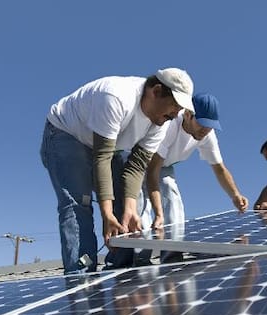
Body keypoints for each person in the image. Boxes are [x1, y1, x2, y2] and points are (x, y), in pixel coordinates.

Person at [40, 68, 194, 274]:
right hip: (66, 133)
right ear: (156, 91)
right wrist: (107, 214)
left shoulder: (161, 121)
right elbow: (101, 157)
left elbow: (137, 166)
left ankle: (120, 269)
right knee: (80, 202)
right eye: (175, 106)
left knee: (124, 203)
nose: (176, 114)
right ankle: (81, 277)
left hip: (108, 146)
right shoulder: (116, 97)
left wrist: (129, 210)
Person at [135, 93, 248, 264]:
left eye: (210, 126)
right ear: (187, 114)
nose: (206, 130)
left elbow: (219, 168)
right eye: (202, 124)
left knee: (172, 196)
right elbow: (152, 172)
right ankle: (141, 258)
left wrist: (235, 195)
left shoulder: (206, 134)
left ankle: (172, 254)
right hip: (141, 163)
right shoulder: (169, 125)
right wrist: (158, 213)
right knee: (142, 207)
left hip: (163, 166)